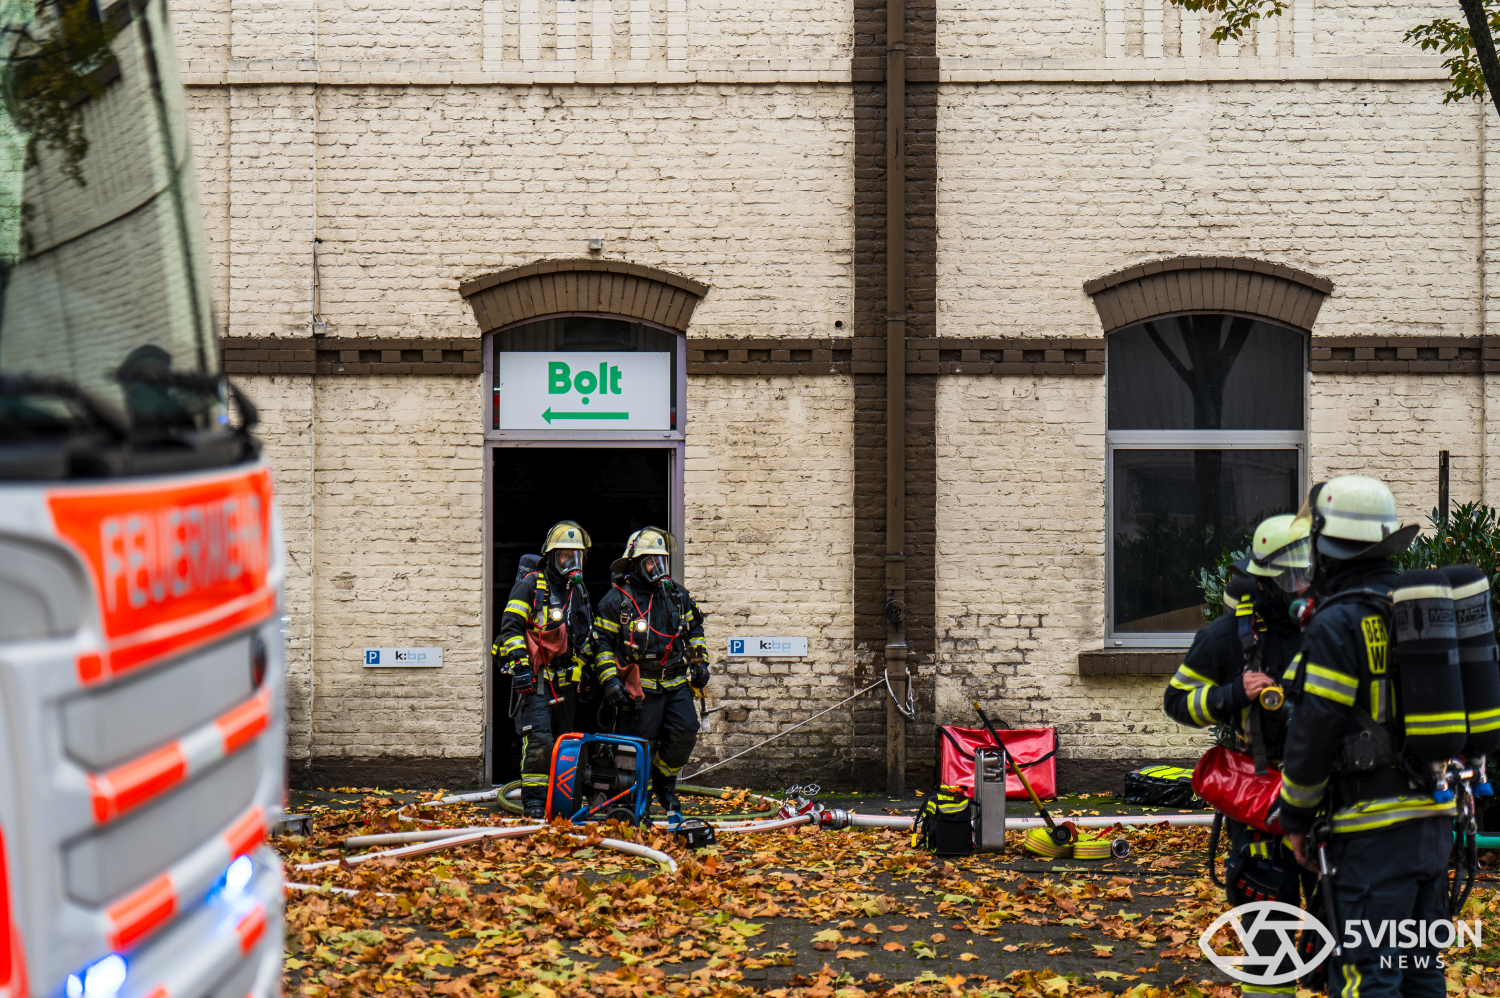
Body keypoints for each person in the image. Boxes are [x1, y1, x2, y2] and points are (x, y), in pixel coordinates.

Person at [1277, 475, 1450, 998]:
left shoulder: (1339, 622)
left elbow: (1315, 730)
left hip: (1372, 837)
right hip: (1432, 828)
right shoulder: (1417, 609)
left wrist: (1295, 818)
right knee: (1422, 973)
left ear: (1326, 549)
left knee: (1367, 978)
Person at [1163, 514, 1312, 998]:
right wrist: (1231, 693)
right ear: (1263, 579)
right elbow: (1177, 701)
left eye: (1306, 572)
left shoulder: (1326, 628)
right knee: (1267, 909)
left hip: (1327, 791)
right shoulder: (1227, 637)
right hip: (1258, 798)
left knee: (1341, 917)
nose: (1301, 585)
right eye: (1290, 576)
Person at [592, 526, 709, 814]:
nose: (658, 568)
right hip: (640, 688)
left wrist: (700, 661)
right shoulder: (615, 601)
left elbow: (693, 630)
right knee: (637, 747)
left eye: (661, 562)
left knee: (685, 732)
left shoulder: (677, 596)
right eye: (650, 562)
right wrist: (610, 682)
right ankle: (633, 801)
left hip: (676, 682)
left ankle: (664, 783)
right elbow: (602, 645)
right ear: (634, 564)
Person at [492, 520, 597, 819]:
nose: (571, 563)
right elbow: (510, 630)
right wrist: (522, 668)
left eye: (576, 557)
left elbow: (584, 636)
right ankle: (535, 800)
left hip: (566, 683)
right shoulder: (530, 586)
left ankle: (563, 800)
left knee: (567, 742)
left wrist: (588, 673)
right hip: (535, 680)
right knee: (540, 740)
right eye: (564, 556)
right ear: (550, 556)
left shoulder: (579, 592)